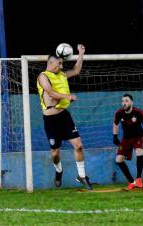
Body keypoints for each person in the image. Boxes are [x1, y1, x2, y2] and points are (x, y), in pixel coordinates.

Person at [37, 44, 93, 190]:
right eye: (59, 63)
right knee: (55, 153)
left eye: (62, 63)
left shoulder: (62, 74)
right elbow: (50, 92)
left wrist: (81, 53)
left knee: (79, 145)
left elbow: (76, 70)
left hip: (64, 116)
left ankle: (81, 175)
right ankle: (59, 170)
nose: (61, 65)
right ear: (50, 63)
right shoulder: (43, 76)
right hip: (50, 120)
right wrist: (68, 96)